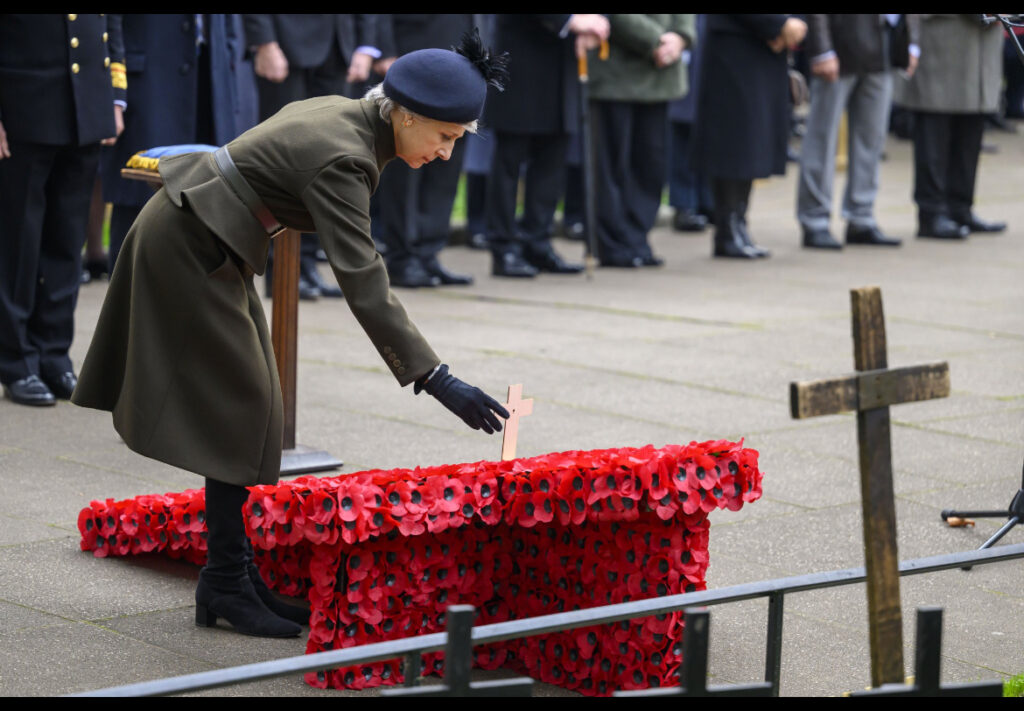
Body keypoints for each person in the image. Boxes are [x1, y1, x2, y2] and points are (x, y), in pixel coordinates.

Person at [71, 29, 512, 639]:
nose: (445, 154)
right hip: (189, 244)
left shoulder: (352, 117)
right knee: (243, 407)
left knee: (257, 409)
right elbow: (364, 280)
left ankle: (233, 577)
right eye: (443, 137)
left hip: (208, 237)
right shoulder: (347, 155)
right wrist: (437, 379)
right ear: (406, 115)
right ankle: (225, 581)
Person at [0, 14, 125, 407]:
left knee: (68, 242)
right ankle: (16, 361)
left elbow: (112, 23)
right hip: (23, 103)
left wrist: (113, 97)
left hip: (84, 102)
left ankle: (54, 355)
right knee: (18, 243)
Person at [101, 14, 254, 275]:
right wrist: (115, 95)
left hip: (211, 77)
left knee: (211, 199)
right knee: (141, 202)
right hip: (150, 82)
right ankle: (131, 306)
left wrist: (227, 56)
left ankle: (194, 305)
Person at [243, 13, 381, 300]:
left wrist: (366, 46)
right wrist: (264, 41)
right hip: (285, 44)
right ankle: (279, 270)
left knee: (329, 156)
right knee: (284, 158)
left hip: (339, 45)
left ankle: (307, 265)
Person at [484, 14, 609, 278]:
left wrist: (597, 23)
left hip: (563, 61)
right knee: (510, 160)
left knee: (552, 160)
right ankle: (503, 246)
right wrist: (570, 20)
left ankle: (537, 241)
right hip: (522, 58)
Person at [796, 14, 921, 250]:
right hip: (840, 45)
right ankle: (815, 219)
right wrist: (822, 50)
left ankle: (861, 217)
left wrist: (911, 41)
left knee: (871, 139)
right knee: (822, 138)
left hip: (885, 46)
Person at [371, 14, 476, 288]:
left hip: (463, 60)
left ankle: (429, 253)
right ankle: (402, 257)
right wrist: (385, 49)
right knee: (406, 159)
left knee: (447, 161)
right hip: (412, 54)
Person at [692, 14, 807, 259]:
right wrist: (778, 25)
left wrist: (790, 25)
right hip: (736, 45)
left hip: (764, 46)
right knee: (735, 143)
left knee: (752, 142)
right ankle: (727, 230)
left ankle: (739, 224)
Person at [587, 14, 694, 268]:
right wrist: (655, 40)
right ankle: (612, 243)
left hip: (661, 72)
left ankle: (637, 239)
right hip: (614, 74)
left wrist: (681, 37)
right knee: (612, 164)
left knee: (650, 163)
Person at [892, 14, 1007, 240]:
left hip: (979, 49)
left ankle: (960, 209)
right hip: (942, 45)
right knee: (934, 136)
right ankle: (931, 214)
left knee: (969, 134)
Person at [667, 13, 713, 233]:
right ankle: (684, 203)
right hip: (683, 34)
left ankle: (707, 199)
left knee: (709, 125)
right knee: (683, 125)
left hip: (713, 34)